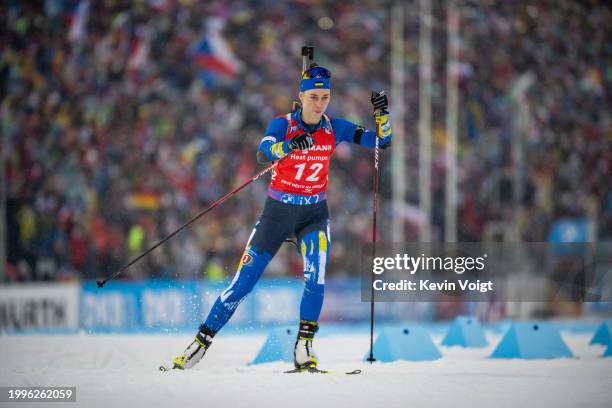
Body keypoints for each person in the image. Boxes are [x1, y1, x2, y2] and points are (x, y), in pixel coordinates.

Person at [172, 64, 392, 370]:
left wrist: (383, 118)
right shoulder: (282, 124)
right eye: (313, 96)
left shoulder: (334, 127)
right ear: (301, 96)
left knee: (316, 277)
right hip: (277, 215)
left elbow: (380, 141)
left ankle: (304, 349)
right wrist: (288, 146)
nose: (319, 103)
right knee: (242, 285)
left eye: (325, 97)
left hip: (313, 215)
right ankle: (199, 344)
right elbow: (264, 152)